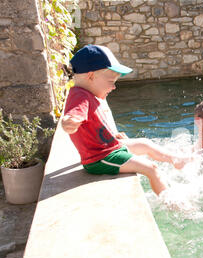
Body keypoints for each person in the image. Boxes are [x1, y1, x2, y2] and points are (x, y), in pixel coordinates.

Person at [61, 44, 188, 195]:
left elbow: (95, 122)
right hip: (99, 158)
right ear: (90, 76)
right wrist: (69, 122)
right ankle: (174, 202)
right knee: (150, 168)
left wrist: (112, 135)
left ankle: (177, 160)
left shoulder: (88, 94)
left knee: (144, 144)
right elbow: (73, 114)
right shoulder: (80, 96)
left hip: (109, 148)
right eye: (111, 82)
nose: (114, 87)